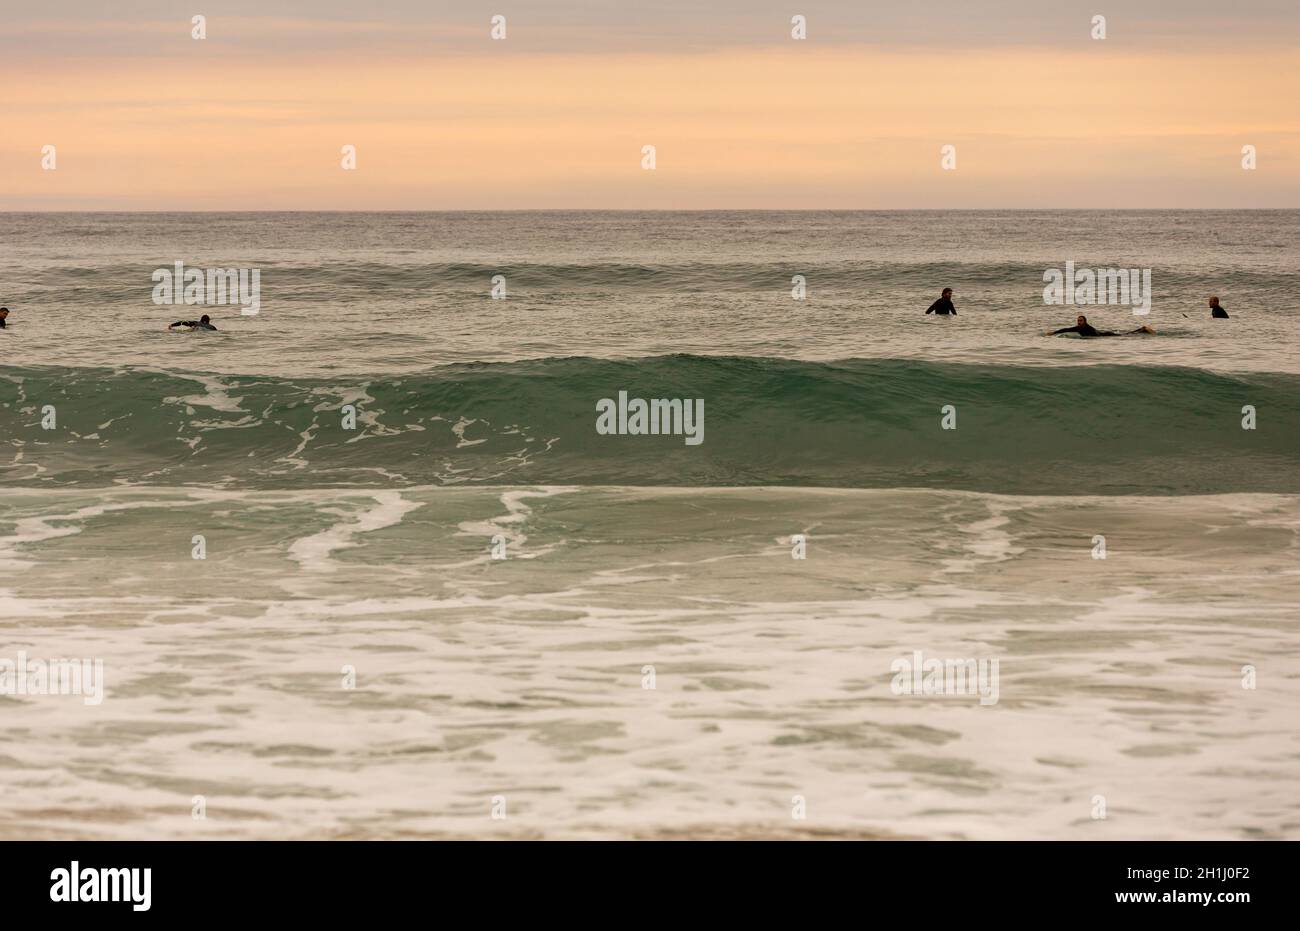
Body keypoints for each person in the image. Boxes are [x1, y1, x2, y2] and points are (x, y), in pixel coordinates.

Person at [1050, 314, 1154, 337]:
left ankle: (1143, 329)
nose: (1079, 322)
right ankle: (1142, 329)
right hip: (1103, 334)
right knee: (1125, 334)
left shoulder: (1086, 327)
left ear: (1085, 321)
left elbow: (1096, 334)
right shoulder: (1079, 328)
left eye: (1081, 321)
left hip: (1105, 335)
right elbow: (1066, 329)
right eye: (1078, 320)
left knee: (1126, 335)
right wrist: (1053, 332)